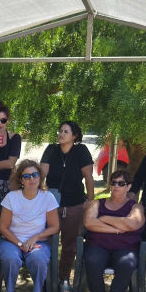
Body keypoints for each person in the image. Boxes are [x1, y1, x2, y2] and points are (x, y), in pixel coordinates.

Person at [82, 169, 146, 292]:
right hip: (98, 246)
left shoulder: (135, 206)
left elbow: (133, 224)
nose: (116, 186)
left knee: (127, 263)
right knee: (92, 261)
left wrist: (104, 219)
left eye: (121, 183)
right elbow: (89, 223)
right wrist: (117, 229)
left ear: (129, 186)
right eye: (113, 183)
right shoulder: (97, 203)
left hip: (125, 248)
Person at [0, 160, 60, 292]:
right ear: (21, 180)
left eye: (35, 174)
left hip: (38, 242)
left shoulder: (48, 197)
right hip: (12, 241)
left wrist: (36, 237)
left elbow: (55, 227)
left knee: (38, 258)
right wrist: (19, 244)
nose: (32, 179)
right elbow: (3, 228)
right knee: (10, 258)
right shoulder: (12, 197)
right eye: (27, 176)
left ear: (40, 177)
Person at [40, 121, 94, 283]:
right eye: (60, 131)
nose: (61, 134)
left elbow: (89, 178)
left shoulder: (81, 151)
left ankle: (63, 278)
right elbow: (42, 175)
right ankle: (47, 278)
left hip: (74, 204)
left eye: (66, 131)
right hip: (52, 204)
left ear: (74, 136)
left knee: (69, 245)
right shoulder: (51, 149)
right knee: (48, 241)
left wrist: (90, 200)